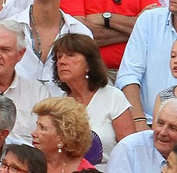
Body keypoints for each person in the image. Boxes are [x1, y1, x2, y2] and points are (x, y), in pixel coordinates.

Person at [49, 33, 130, 165]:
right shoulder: (56, 105)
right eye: (59, 57)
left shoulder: (113, 97)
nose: (62, 61)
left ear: (89, 64)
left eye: (70, 55)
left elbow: (129, 148)